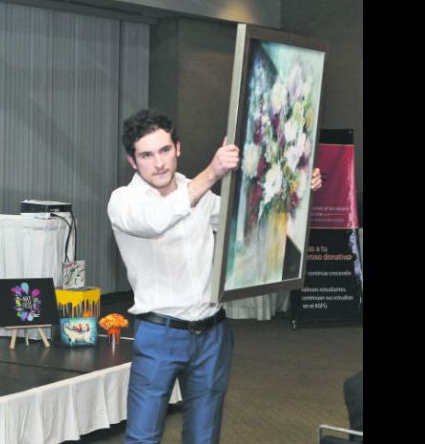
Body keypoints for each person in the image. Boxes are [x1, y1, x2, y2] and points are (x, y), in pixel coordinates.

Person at [107, 109, 321, 443]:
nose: (159, 162)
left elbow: (251, 221)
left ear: (177, 148)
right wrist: (213, 172)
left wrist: (299, 190)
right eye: (146, 155)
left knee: (204, 437)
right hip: (159, 334)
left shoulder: (200, 193)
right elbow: (156, 220)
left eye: (164, 150)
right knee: (142, 437)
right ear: (133, 162)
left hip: (212, 333)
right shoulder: (124, 202)